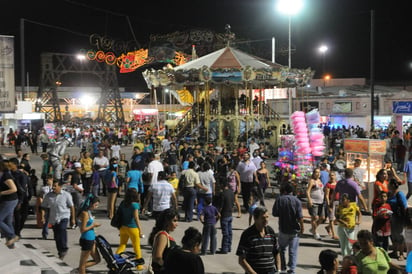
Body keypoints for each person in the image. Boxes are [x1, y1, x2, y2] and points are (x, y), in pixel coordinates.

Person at [272, 183, 304, 274]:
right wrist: (302, 227)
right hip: (294, 230)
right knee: (293, 251)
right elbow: (300, 217)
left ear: (284, 191)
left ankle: (283, 267)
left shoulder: (279, 199)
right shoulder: (297, 201)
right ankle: (292, 269)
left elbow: (274, 213)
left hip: (283, 228)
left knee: (281, 249)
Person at [237, 206, 279, 274]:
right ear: (255, 219)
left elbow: (276, 252)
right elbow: (241, 260)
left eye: (267, 217)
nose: (266, 220)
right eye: (263, 218)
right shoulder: (247, 235)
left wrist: (278, 270)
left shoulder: (270, 231)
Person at [41, 180, 76, 259]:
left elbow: (72, 207)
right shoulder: (48, 196)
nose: (53, 187)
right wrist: (43, 216)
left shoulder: (66, 195)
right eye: (53, 186)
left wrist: (73, 219)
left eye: (55, 186)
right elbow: (43, 206)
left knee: (62, 229)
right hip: (54, 218)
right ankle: (60, 251)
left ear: (60, 187)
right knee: (56, 236)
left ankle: (64, 248)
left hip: (64, 216)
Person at [115, 188, 145, 270]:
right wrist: (140, 230)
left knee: (122, 245)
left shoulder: (123, 203)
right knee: (136, 247)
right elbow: (136, 218)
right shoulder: (135, 205)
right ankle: (139, 265)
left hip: (123, 227)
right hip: (132, 228)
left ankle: (115, 261)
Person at [76, 195, 101, 274]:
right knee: (82, 264)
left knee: (97, 259)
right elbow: (83, 229)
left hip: (91, 238)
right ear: (90, 204)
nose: (96, 207)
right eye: (95, 205)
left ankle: (79, 269)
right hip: (87, 239)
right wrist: (93, 225)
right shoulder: (85, 213)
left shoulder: (88, 212)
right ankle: (80, 270)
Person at [148, 208, 179, 274]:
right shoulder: (163, 235)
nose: (177, 224)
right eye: (174, 221)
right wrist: (166, 267)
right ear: (167, 221)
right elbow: (158, 256)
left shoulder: (164, 234)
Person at [387, 179, 408, 261]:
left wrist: (405, 219)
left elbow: (404, 206)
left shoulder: (400, 194)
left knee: (399, 236)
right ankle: (395, 251)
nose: (388, 185)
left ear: (392, 185)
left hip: (399, 219)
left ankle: (401, 254)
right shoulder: (389, 194)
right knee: (392, 235)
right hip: (390, 218)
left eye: (389, 184)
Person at [0, 159, 19, 248]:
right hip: (6, 200)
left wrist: (1, 193)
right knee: (8, 221)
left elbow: (14, 189)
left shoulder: (6, 176)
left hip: (10, 200)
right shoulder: (2, 175)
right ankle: (11, 244)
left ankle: (12, 236)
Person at [306, 167, 325, 240]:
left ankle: (313, 229)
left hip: (321, 202)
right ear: (313, 173)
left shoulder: (320, 180)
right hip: (314, 201)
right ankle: (315, 232)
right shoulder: (312, 181)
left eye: (319, 172)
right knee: (315, 218)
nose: (318, 174)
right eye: (316, 172)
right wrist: (309, 200)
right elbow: (307, 191)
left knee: (322, 217)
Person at [217, 181, 234, 254]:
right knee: (230, 232)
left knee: (225, 233)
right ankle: (229, 247)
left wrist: (218, 213)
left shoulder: (222, 194)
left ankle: (224, 248)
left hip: (224, 215)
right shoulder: (231, 192)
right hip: (230, 214)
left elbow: (221, 205)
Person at [324, 172, 339, 240]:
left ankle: (328, 227)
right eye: (330, 175)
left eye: (333, 175)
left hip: (338, 201)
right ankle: (333, 234)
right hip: (331, 202)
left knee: (339, 218)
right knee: (331, 218)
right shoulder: (328, 184)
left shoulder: (338, 183)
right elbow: (327, 195)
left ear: (335, 176)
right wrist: (329, 204)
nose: (332, 177)